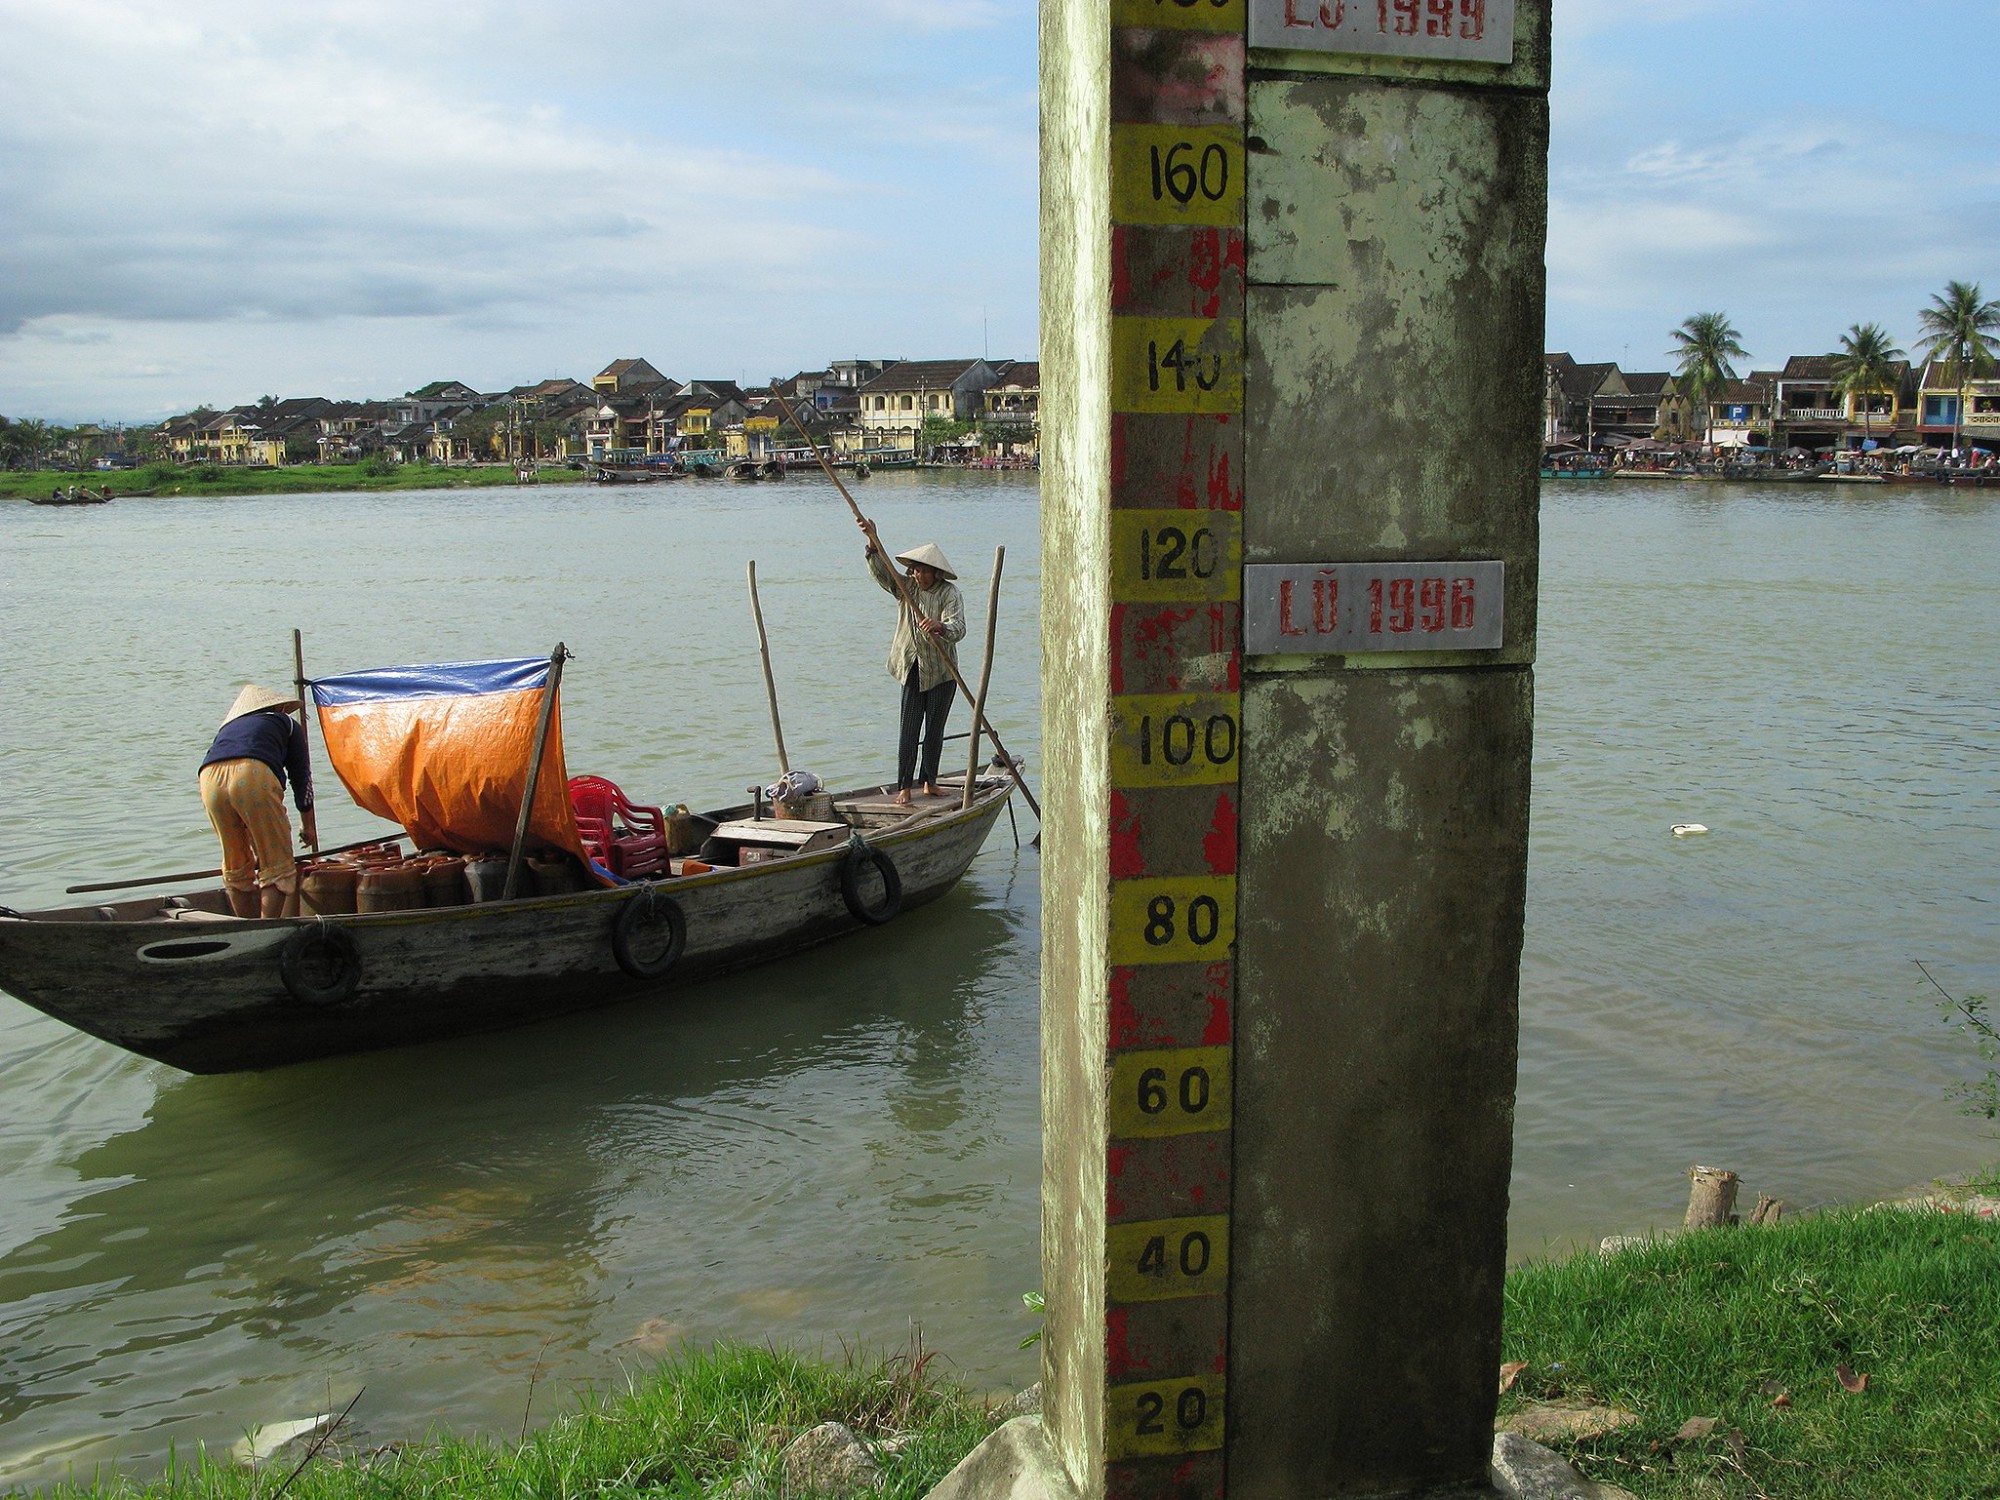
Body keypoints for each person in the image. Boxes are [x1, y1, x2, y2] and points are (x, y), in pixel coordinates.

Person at [859, 518, 966, 804]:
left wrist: (940, 627)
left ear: (936, 572)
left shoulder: (949, 594)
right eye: (916, 570)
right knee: (909, 730)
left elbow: (958, 628)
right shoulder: (907, 588)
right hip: (912, 668)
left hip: (942, 672)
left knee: (935, 730)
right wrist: (873, 542)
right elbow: (884, 574)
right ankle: (905, 786)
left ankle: (930, 781)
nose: (919, 575)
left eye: (924, 571)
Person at [199, 684, 317, 918]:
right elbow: (302, 779)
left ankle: (245, 927)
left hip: (209, 779)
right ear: (280, 707)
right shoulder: (288, 725)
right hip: (252, 774)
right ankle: (266, 928)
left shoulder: (229, 728)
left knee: (236, 864)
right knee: (277, 865)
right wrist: (308, 826)